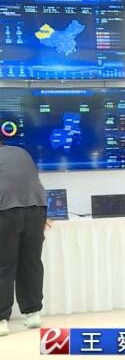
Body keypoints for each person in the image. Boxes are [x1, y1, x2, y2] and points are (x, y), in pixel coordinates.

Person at [0, 139, 49, 336]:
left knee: (3, 264)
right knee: (31, 262)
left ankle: (1, 320)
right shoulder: (21, 152)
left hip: (7, 210)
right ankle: (33, 313)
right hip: (37, 208)